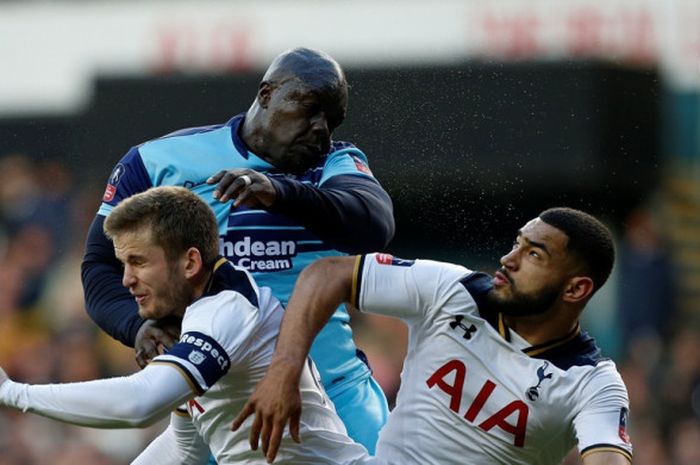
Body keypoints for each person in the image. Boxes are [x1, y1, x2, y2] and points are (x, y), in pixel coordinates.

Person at [81, 47, 394, 453]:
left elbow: (375, 224)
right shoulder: (157, 162)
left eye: (331, 120)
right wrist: (136, 325)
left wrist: (280, 193)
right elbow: (99, 266)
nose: (321, 129)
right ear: (267, 95)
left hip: (335, 392)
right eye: (310, 110)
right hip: (219, 404)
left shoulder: (333, 163)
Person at [0, 186, 372, 465]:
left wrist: (14, 393)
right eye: (123, 265)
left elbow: (139, 403)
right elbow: (185, 447)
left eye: (138, 262)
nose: (126, 280)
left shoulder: (225, 309)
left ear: (191, 263)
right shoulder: (194, 316)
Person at [234, 207, 634, 465]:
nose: (508, 259)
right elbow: (326, 275)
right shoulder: (452, 290)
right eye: (517, 243)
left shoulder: (592, 382)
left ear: (576, 289)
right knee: (237, 343)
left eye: (534, 255)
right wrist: (282, 372)